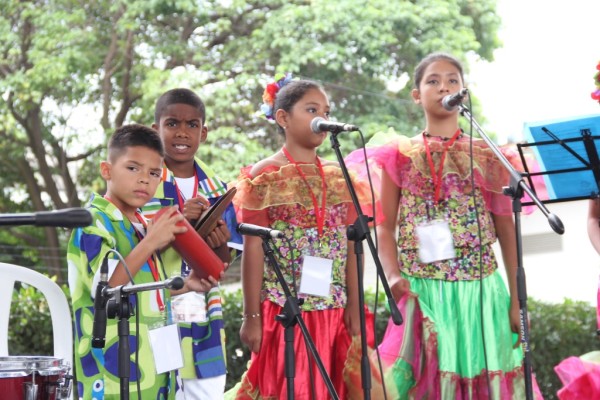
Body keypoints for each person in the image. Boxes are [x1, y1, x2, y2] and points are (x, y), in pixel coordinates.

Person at [359, 53, 543, 398]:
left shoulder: (487, 155)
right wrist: (393, 275)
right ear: (417, 95)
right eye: (433, 81)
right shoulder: (400, 154)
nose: (443, 86)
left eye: (452, 80)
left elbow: (506, 231)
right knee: (423, 380)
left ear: (464, 91)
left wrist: (518, 300)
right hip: (423, 290)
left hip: (481, 289)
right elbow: (384, 225)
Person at [226, 74, 375, 399]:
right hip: (284, 311)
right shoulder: (265, 174)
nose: (322, 118)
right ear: (283, 118)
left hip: (333, 309)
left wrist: (354, 303)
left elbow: (352, 244)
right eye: (311, 110)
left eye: (326, 110)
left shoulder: (340, 177)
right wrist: (251, 317)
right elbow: (253, 248)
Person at [68, 124, 213, 399]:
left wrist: (189, 285)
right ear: (107, 170)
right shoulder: (92, 222)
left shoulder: (145, 224)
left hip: (158, 366)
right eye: (133, 168)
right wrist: (151, 241)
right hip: (114, 371)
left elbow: (143, 290)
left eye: (154, 172)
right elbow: (109, 289)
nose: (144, 179)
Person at [140, 88, 241, 399]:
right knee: (160, 389)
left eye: (191, 125)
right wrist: (179, 221)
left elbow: (221, 267)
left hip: (204, 321)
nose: (182, 132)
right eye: (172, 124)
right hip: (156, 316)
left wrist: (220, 242)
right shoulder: (143, 183)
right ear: (155, 130)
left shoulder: (218, 189)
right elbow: (134, 255)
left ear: (204, 132)